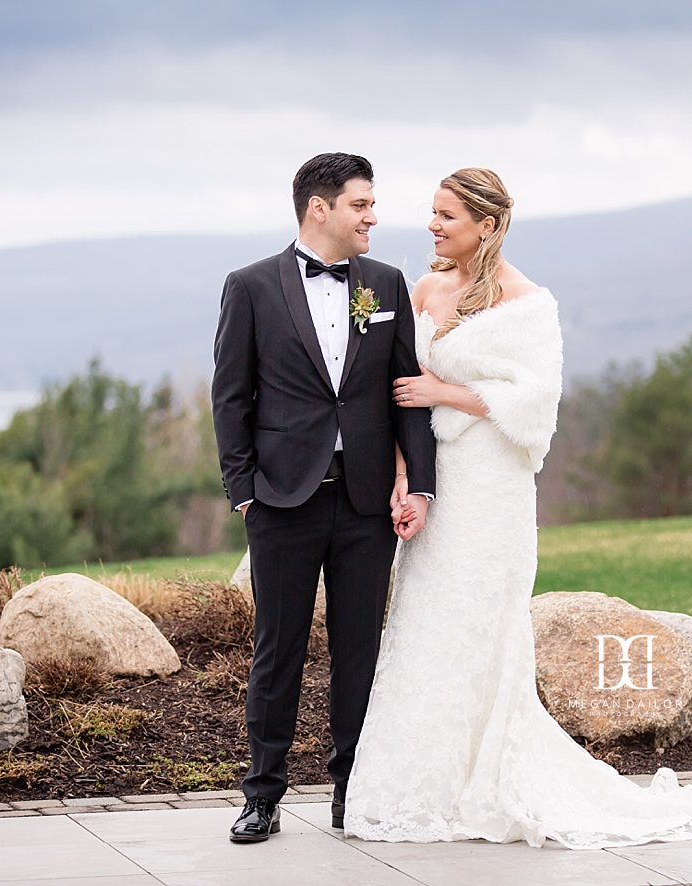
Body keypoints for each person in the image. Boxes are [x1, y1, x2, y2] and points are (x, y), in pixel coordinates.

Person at [344, 168, 692, 849]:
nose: (433, 226)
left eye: (447, 216)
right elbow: (396, 394)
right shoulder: (423, 290)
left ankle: (488, 785)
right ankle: (424, 785)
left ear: (487, 225)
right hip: (435, 481)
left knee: (480, 628)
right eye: (433, 213)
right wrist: (403, 479)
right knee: (426, 624)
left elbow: (533, 405)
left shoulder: (527, 303)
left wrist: (446, 393)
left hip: (491, 488)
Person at [211, 152, 437, 844]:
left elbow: (406, 396)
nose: (373, 217)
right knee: (276, 650)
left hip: (366, 503)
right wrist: (244, 490)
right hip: (282, 501)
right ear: (320, 208)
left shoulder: (387, 283)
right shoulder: (250, 286)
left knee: (357, 654)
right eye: (361, 204)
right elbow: (230, 395)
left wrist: (419, 484)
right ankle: (262, 795)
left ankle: (352, 791)